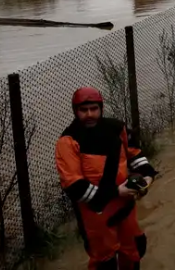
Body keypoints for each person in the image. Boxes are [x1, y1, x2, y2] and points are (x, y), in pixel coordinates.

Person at [55, 87, 157, 270]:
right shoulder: (68, 141)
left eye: (94, 109)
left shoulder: (117, 128)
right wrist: (116, 191)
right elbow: (74, 185)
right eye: (83, 110)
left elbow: (135, 156)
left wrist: (147, 177)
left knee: (135, 249)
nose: (89, 114)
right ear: (75, 111)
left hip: (125, 206)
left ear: (101, 108)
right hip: (95, 215)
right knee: (104, 261)